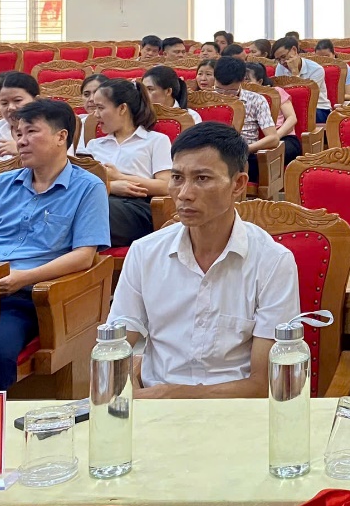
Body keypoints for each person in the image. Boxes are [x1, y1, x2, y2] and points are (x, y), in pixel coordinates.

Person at [108, 123, 300, 398]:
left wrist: (172, 395)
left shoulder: (272, 262)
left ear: (238, 185)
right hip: (151, 407)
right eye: (176, 177)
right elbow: (115, 349)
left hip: (236, 411)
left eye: (202, 179)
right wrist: (126, 390)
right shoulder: (144, 252)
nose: (184, 193)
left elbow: (264, 383)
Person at [0, 100, 110, 389]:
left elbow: (84, 257)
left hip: (30, 295)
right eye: (17, 133)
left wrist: (23, 279)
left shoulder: (88, 187)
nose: (21, 141)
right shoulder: (1, 183)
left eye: (30, 132)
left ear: (61, 136)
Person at [82, 78, 172, 247]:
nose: (96, 115)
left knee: (90, 208)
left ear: (122, 108)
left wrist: (119, 177)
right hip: (102, 200)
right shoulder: (94, 145)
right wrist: (111, 186)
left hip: (138, 208)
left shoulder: (155, 141)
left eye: (101, 108)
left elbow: (165, 186)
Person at [211, 54, 278, 180]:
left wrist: (245, 149)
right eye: (219, 89)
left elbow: (273, 138)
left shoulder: (256, 100)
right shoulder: (206, 100)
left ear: (242, 80)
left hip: (244, 154)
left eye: (230, 91)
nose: (224, 95)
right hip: (211, 152)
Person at [244, 62, 301, 163]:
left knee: (260, 159)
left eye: (247, 80)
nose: (244, 84)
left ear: (260, 81)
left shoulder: (276, 92)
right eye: (241, 80)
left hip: (283, 139)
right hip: (253, 143)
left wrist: (275, 138)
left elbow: (292, 118)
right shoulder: (240, 97)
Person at [271, 39, 336, 122]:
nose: (282, 62)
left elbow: (304, 98)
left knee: (297, 115)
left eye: (283, 57)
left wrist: (295, 72)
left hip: (317, 108)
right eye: (278, 60)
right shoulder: (280, 67)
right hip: (291, 107)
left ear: (294, 50)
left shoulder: (316, 70)